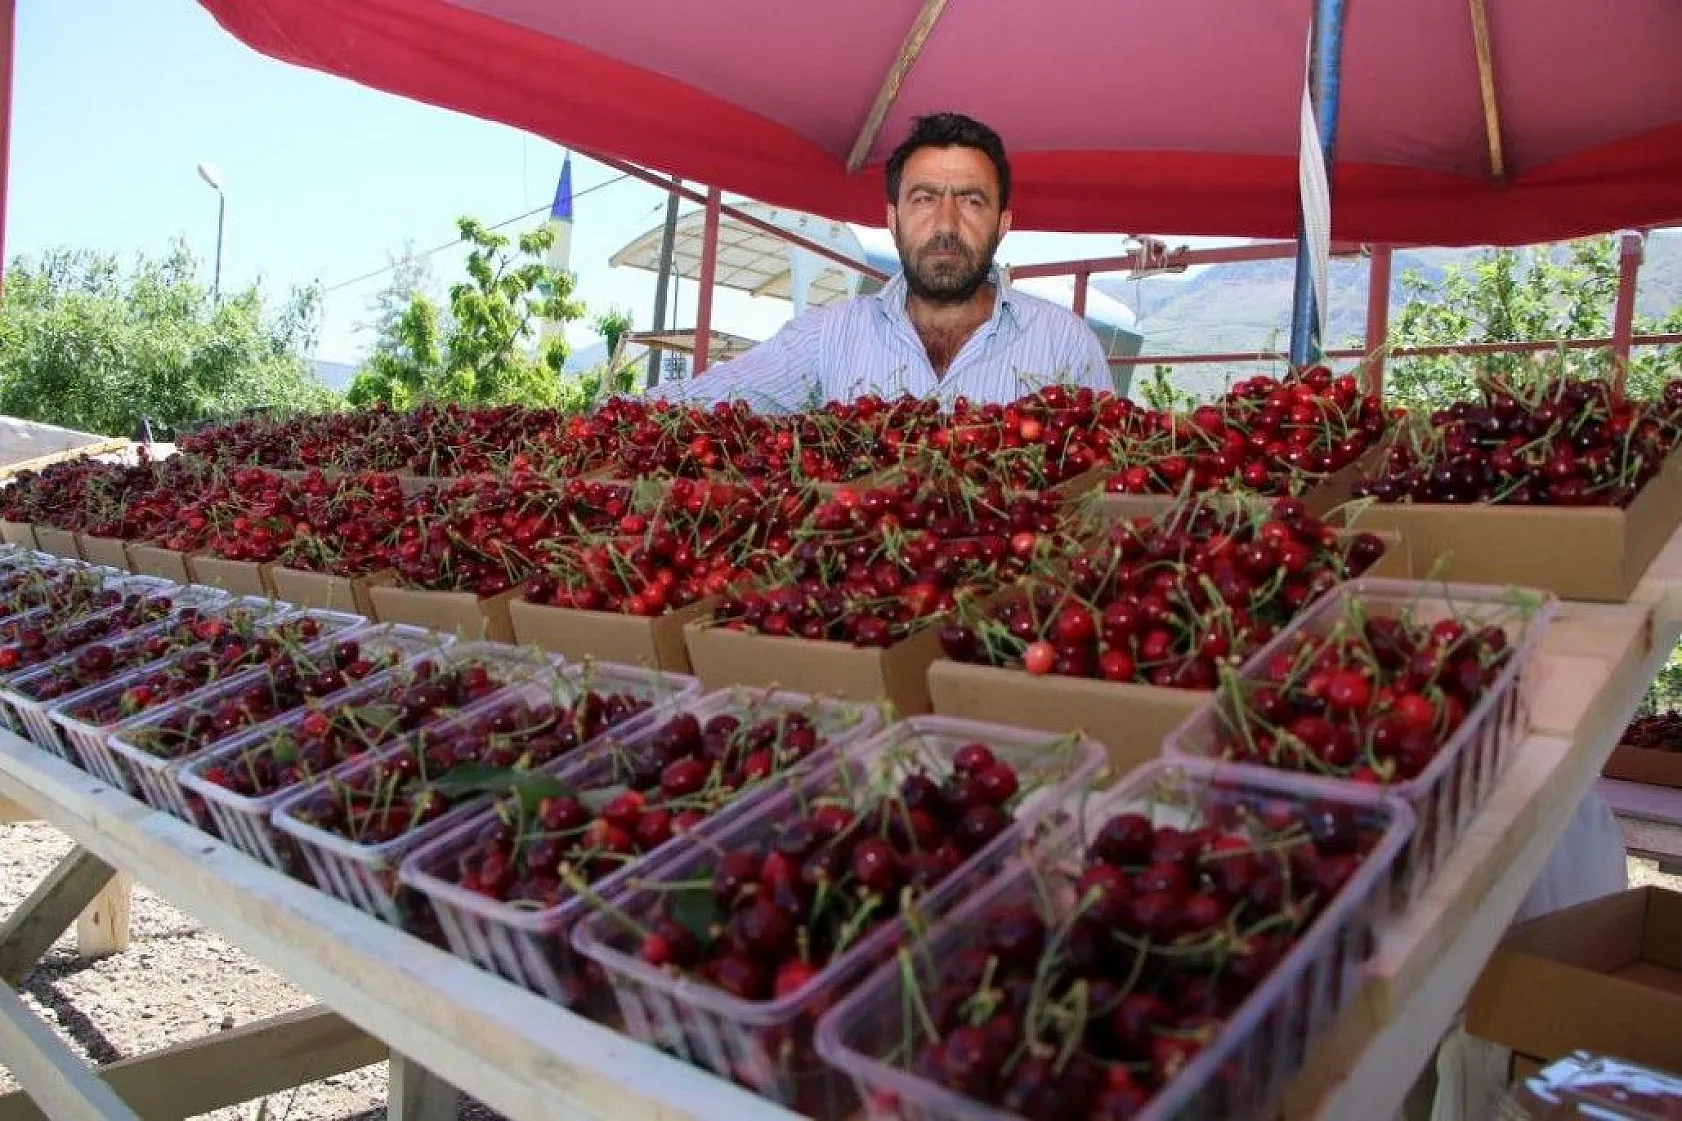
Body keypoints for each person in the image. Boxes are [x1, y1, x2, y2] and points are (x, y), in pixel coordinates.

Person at [644, 113, 1114, 411]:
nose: (946, 224)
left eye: (971, 201)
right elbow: (707, 399)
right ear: (893, 219)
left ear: (1003, 223)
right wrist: (613, 417)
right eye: (924, 198)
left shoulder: (1064, 346)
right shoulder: (829, 337)